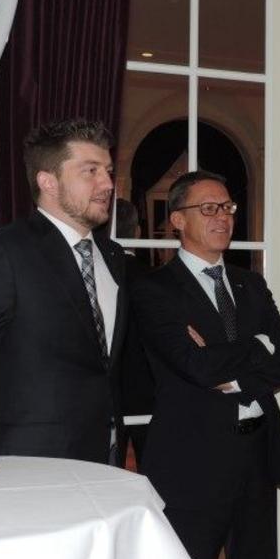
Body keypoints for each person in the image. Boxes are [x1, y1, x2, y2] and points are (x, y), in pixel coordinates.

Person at [0, 119, 127, 484]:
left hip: (107, 462)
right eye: (91, 171)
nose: (108, 184)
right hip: (28, 468)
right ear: (48, 181)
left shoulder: (114, 258)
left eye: (109, 171)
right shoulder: (3, 252)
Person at [131, 170, 280, 559]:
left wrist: (236, 376)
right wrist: (258, 345)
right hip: (193, 459)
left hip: (257, 454)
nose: (223, 216)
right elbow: (195, 366)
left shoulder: (250, 284)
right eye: (208, 208)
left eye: (227, 207)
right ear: (177, 219)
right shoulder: (154, 289)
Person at [114, 198, 154, 467]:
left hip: (108, 391)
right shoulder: (153, 279)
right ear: (137, 232)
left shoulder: (95, 276)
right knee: (152, 470)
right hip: (146, 389)